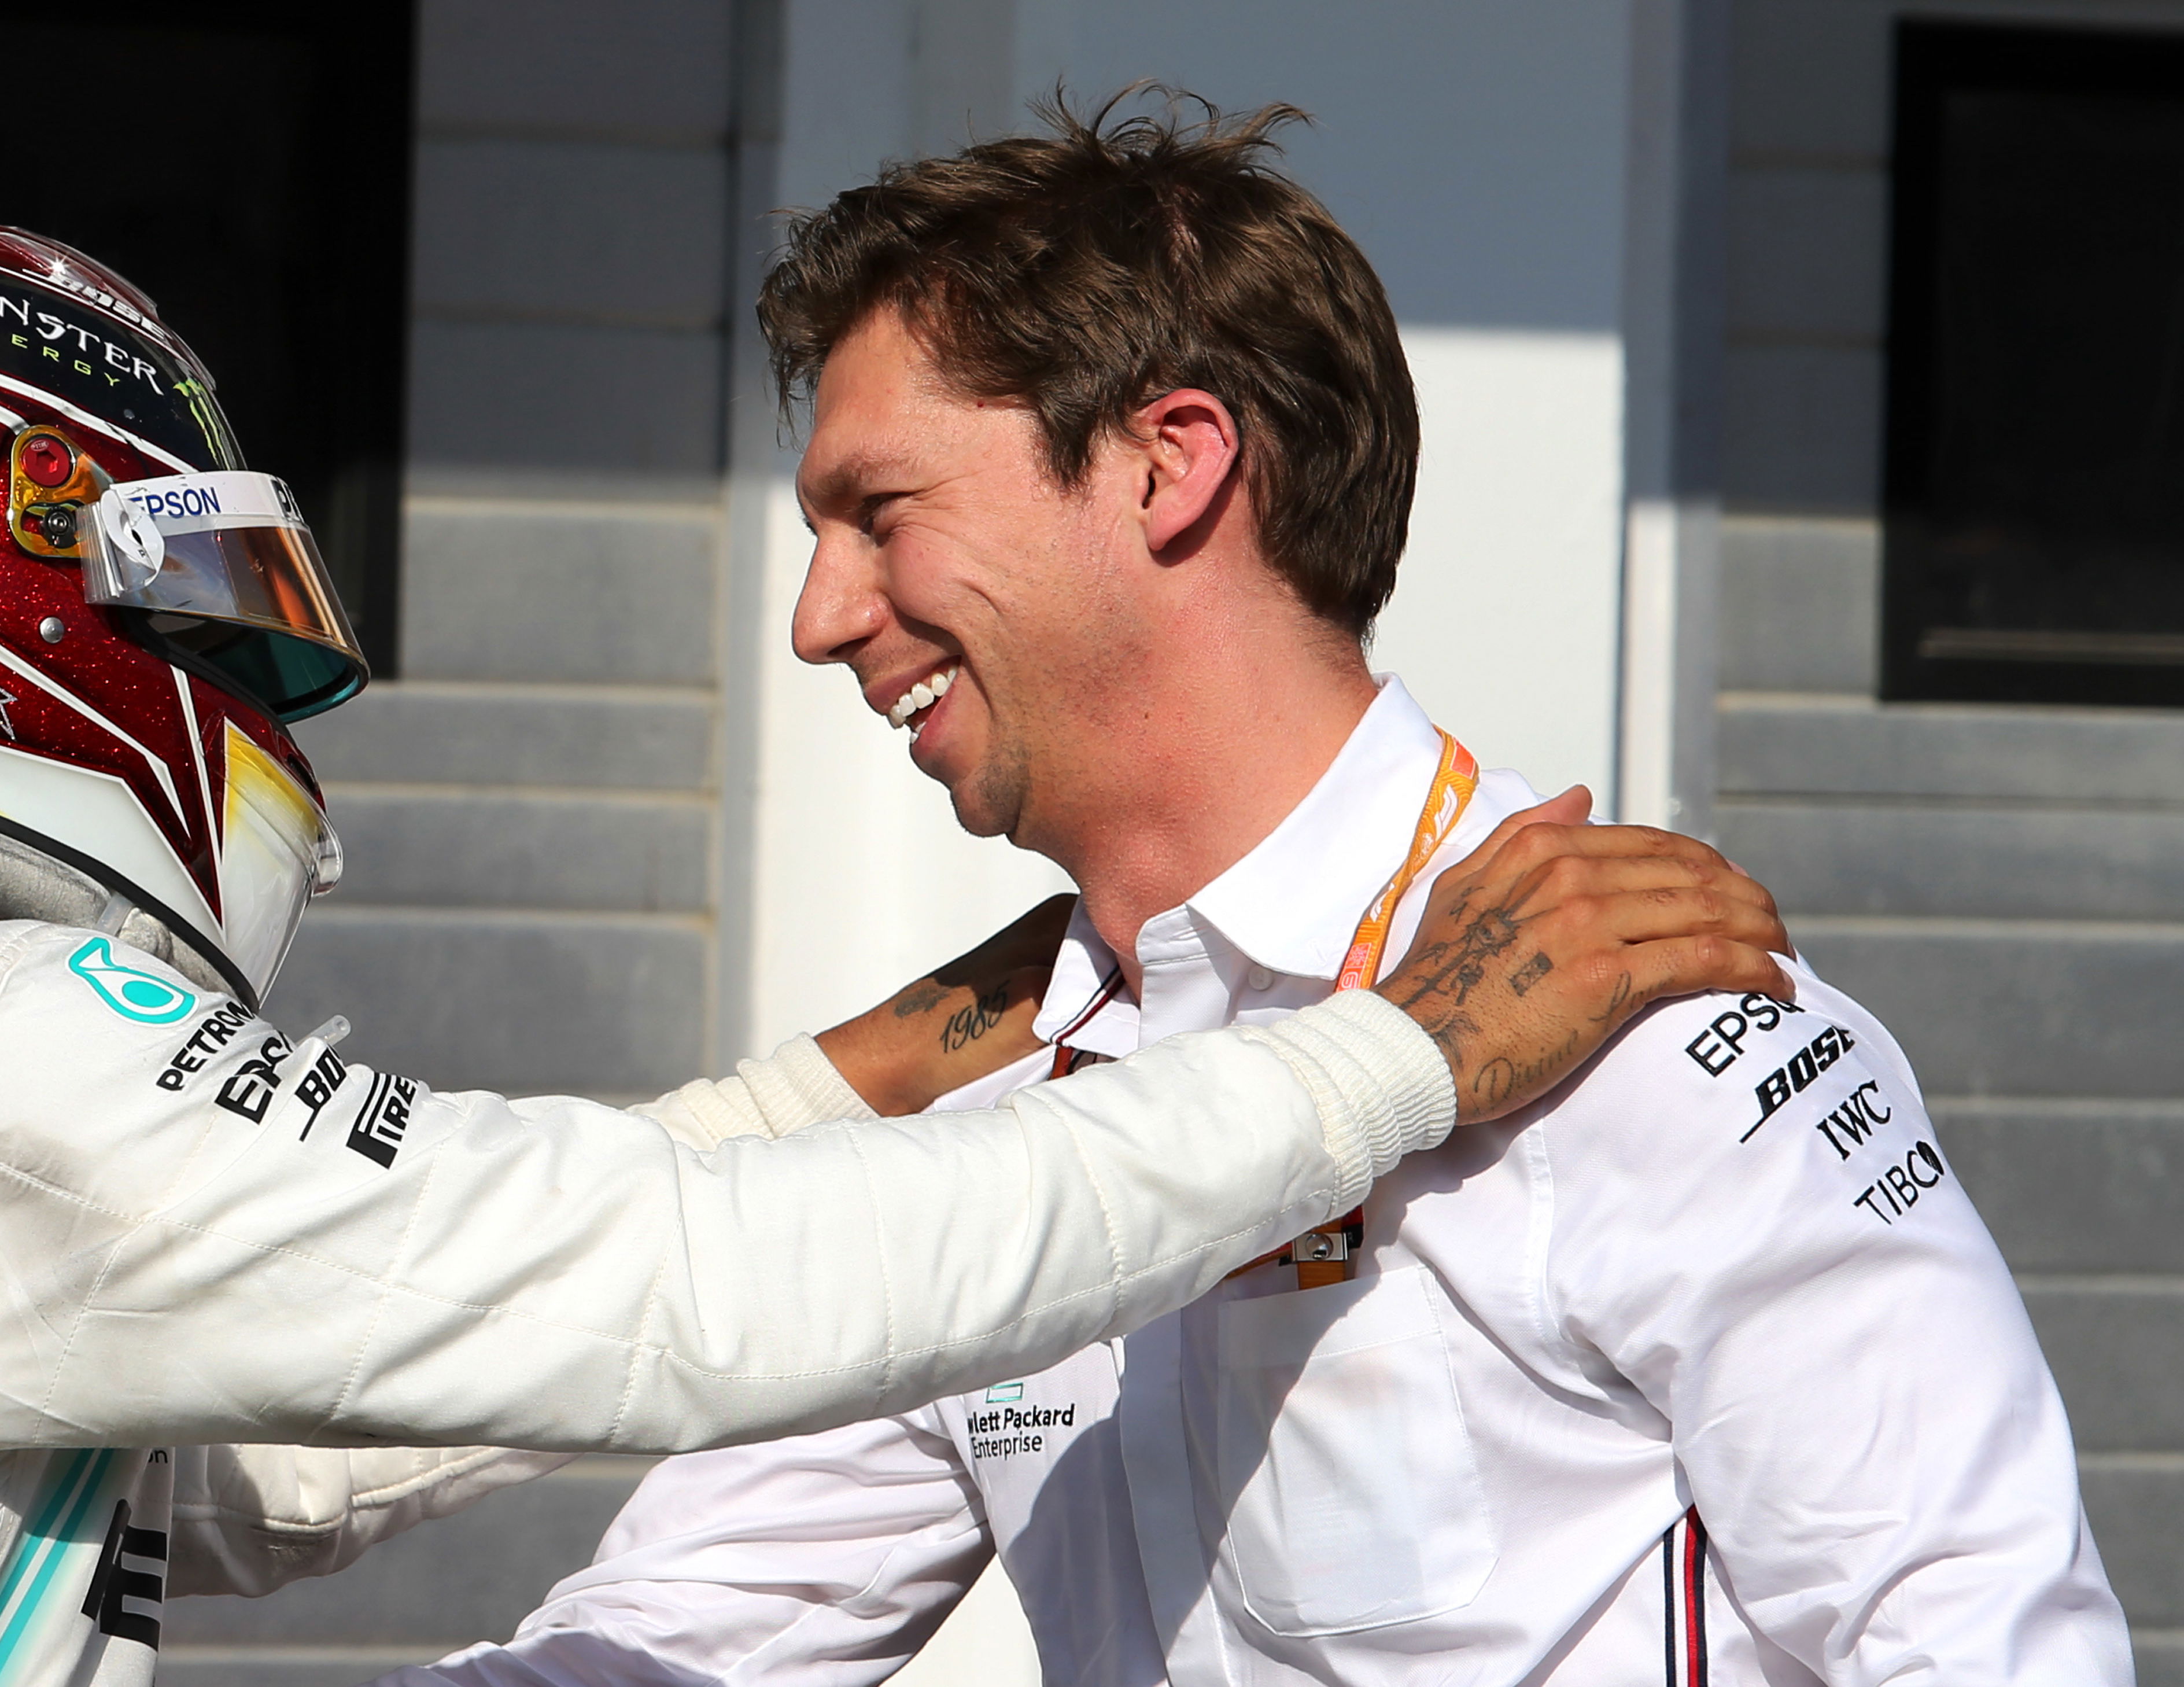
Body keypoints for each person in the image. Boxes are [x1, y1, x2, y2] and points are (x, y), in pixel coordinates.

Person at [0, 208, 1784, 1686]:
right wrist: (1399, 1051)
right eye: (164, 584)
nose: (226, 666)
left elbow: (264, 1447)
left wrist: (866, 1068)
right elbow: (670, 1299)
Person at [388, 99, 2131, 1686]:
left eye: (880, 510)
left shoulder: (1645, 1004)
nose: (822, 614)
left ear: (1174, 462)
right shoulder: (990, 1089)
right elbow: (654, 1650)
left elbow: (1988, 1646)